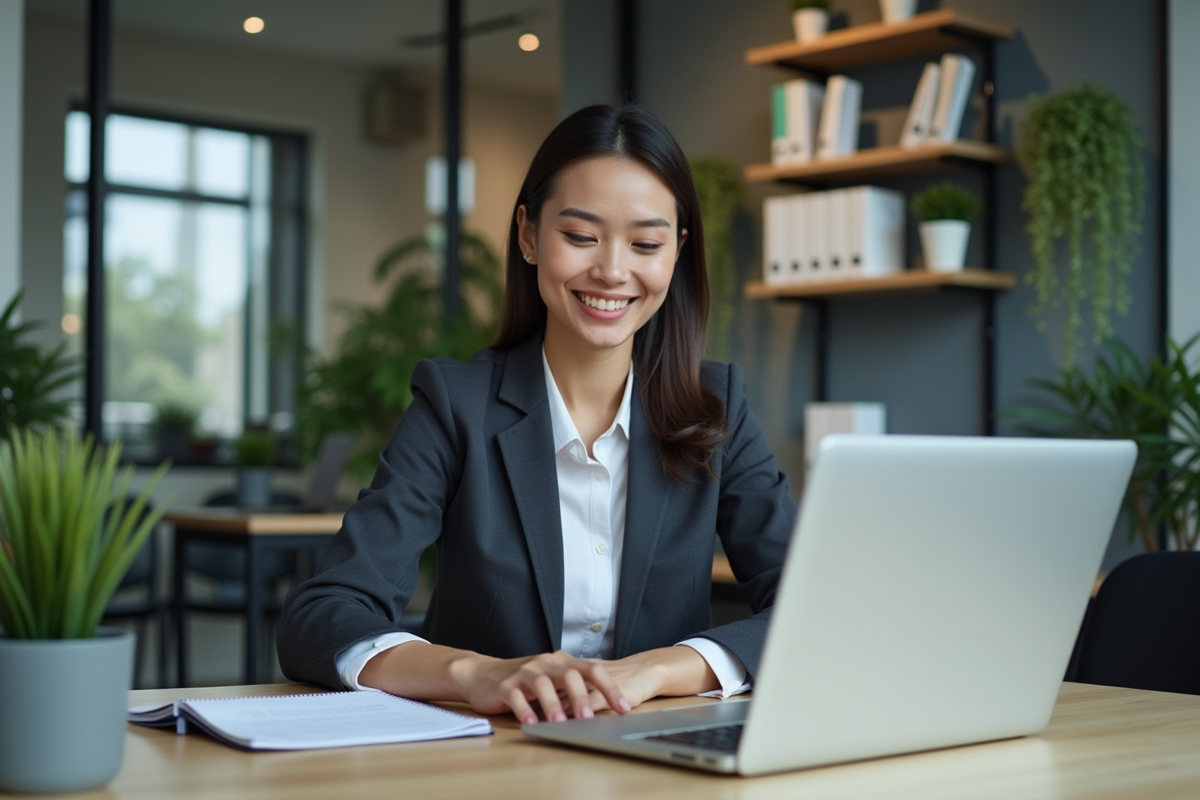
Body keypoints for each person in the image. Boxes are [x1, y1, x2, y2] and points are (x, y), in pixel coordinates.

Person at [278, 104, 796, 725]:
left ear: (677, 252)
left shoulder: (718, 409)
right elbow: (323, 616)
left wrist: (659, 669)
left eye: (646, 243)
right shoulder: (455, 405)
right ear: (528, 234)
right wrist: (477, 674)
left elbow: (814, 604)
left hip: (661, 759)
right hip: (490, 758)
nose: (611, 269)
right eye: (580, 236)